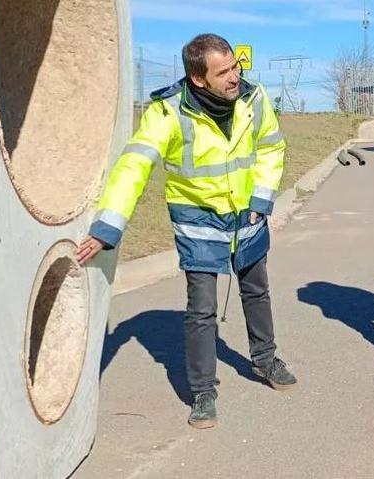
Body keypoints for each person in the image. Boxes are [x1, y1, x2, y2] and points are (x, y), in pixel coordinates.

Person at [76, 33, 296, 430]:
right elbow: (134, 166)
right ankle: (202, 391)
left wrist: (261, 201)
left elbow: (271, 147)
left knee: (256, 290)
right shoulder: (167, 112)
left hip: (246, 214)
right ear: (198, 79)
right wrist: (108, 226)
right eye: (223, 71)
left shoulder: (254, 97)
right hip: (198, 222)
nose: (235, 76)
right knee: (202, 308)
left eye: (235, 66)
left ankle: (265, 360)